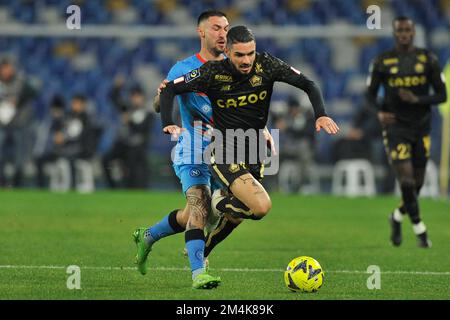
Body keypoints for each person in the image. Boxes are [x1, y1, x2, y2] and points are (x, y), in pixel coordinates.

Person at [159, 25, 339, 279]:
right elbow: (170, 88)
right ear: (228, 53)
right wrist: (168, 120)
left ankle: (204, 248)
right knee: (261, 206)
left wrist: (321, 114)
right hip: (222, 147)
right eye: (240, 55)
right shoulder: (212, 72)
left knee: (239, 215)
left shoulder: (267, 65)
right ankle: (218, 201)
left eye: (250, 54)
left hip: (253, 148)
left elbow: (308, 83)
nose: (246, 60)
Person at [133, 10, 230, 289]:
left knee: (203, 213)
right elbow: (159, 102)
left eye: (226, 28)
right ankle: (199, 273)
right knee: (199, 205)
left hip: (224, 151)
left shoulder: (234, 68)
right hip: (192, 148)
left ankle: (149, 235)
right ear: (201, 32)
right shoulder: (184, 68)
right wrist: (161, 98)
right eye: (216, 28)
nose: (223, 33)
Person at [366, 16, 447, 248]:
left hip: (421, 128)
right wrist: (379, 114)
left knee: (418, 184)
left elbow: (442, 95)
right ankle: (420, 231)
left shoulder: (427, 59)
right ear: (394, 33)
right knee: (408, 183)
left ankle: (397, 216)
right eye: (400, 30)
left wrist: (418, 99)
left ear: (413, 32)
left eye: (407, 30)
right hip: (395, 127)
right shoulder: (383, 61)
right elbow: (369, 96)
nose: (403, 34)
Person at [0, 57, 37, 187]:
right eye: (3, 68)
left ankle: (17, 183)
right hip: (2, 124)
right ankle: (2, 182)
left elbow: (33, 92)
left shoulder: (20, 80)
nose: (5, 71)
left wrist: (18, 101)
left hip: (18, 124)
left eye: (7, 68)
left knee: (19, 155)